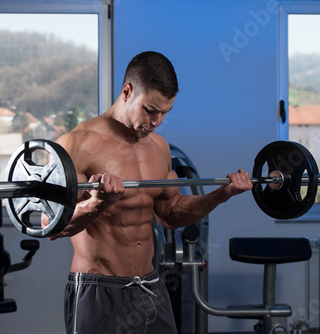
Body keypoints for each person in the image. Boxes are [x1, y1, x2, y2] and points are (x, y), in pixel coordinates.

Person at [45, 51, 253, 334]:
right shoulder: (78, 144)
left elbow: (171, 214)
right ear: (127, 92)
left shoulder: (159, 147)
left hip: (151, 285)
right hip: (99, 287)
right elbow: (52, 227)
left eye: (165, 112)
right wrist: (96, 203)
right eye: (150, 110)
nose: (157, 121)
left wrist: (220, 195)